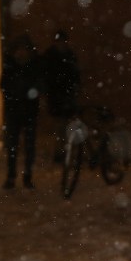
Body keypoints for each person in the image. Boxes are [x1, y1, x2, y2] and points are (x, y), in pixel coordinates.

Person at [0, 34, 43, 190]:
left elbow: (39, 85)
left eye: (24, 49)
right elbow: (3, 85)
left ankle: (27, 176)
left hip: (29, 110)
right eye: (19, 49)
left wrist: (29, 93)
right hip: (14, 111)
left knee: (29, 146)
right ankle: (11, 176)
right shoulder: (10, 65)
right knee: (13, 146)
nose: (22, 52)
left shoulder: (33, 65)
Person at [43, 29, 81, 162]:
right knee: (59, 126)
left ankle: (63, 152)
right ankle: (59, 152)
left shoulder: (67, 56)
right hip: (57, 97)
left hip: (66, 96)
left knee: (65, 126)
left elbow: (75, 75)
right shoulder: (51, 56)